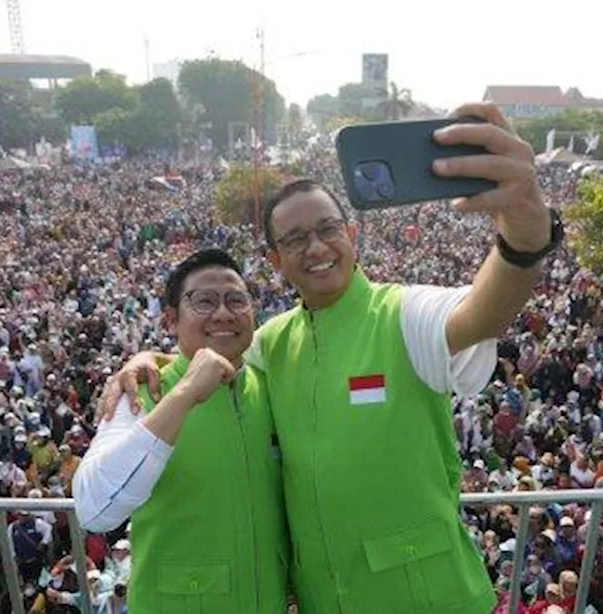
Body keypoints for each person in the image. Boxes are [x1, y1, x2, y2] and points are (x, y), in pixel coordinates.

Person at [101, 104, 560, 613]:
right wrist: (148, 359)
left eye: (327, 229)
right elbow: (213, 346)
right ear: (275, 261)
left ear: (352, 236)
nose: (315, 247)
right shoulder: (272, 343)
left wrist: (524, 230)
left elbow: (483, 313)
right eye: (295, 239)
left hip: (432, 599)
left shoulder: (403, 314)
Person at [73, 248, 289, 613]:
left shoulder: (272, 387)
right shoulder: (140, 392)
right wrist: (184, 395)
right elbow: (94, 509)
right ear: (171, 320)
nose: (223, 312)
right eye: (203, 301)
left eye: (236, 300)